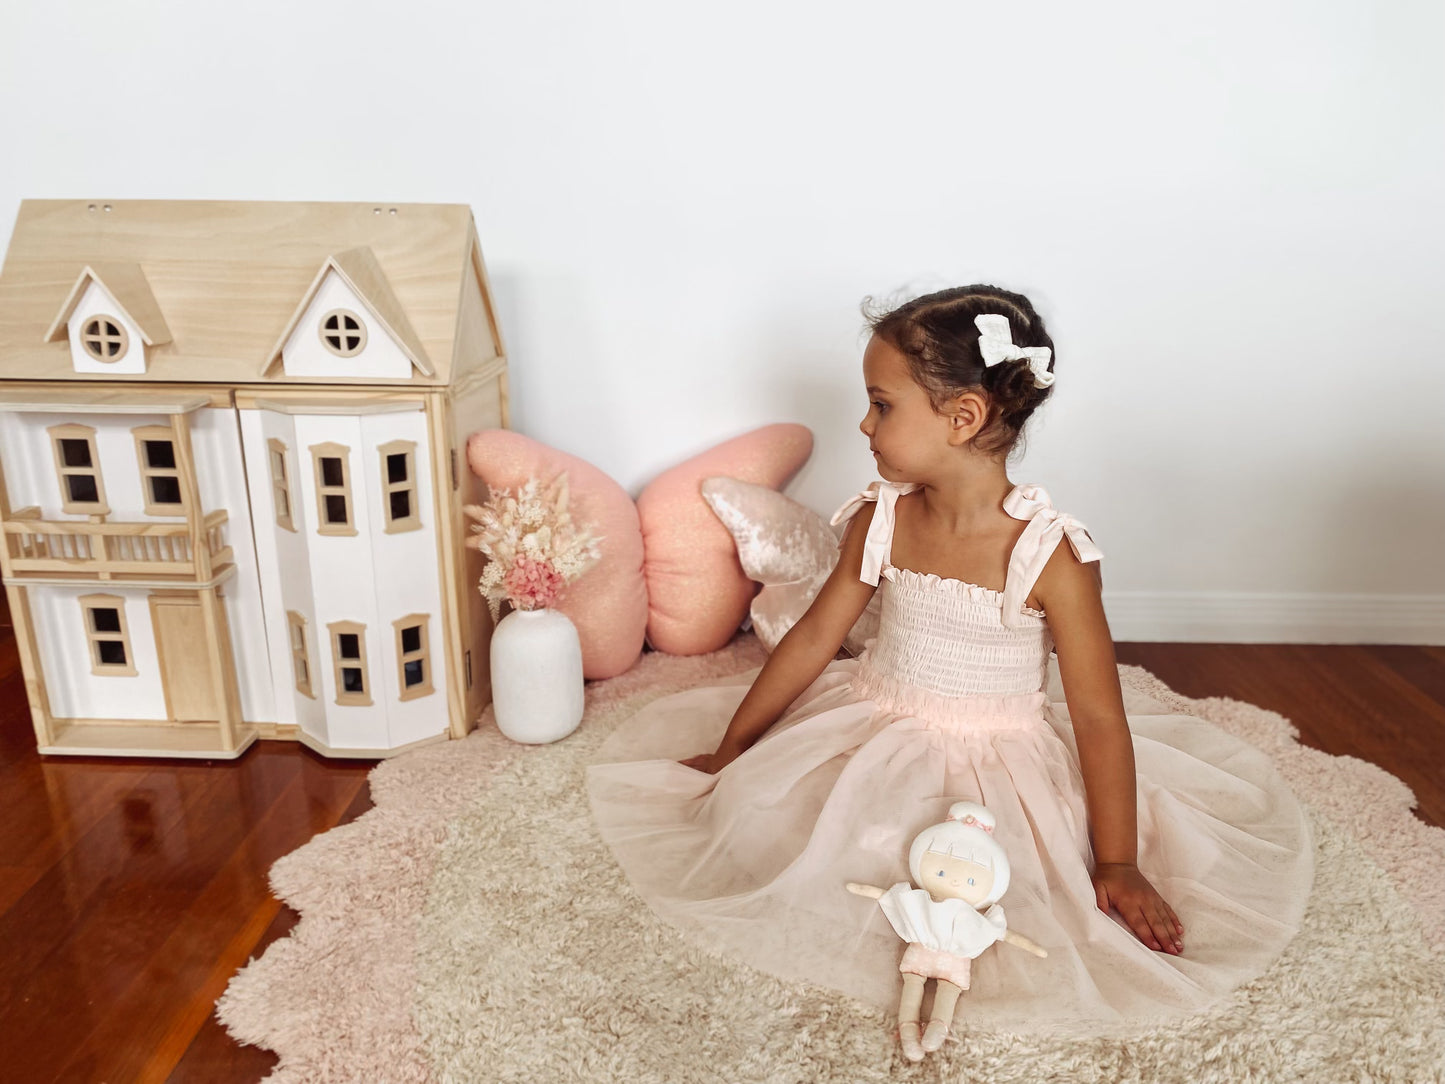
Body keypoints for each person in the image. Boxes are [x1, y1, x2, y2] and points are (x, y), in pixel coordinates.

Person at [585, 285, 1314, 1035]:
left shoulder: (1050, 556)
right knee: (804, 843)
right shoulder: (882, 516)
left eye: (881, 405)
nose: (863, 424)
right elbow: (810, 639)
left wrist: (1118, 862)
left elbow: (1096, 716)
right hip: (874, 717)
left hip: (998, 753)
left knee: (1003, 886)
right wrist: (736, 750)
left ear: (962, 417)